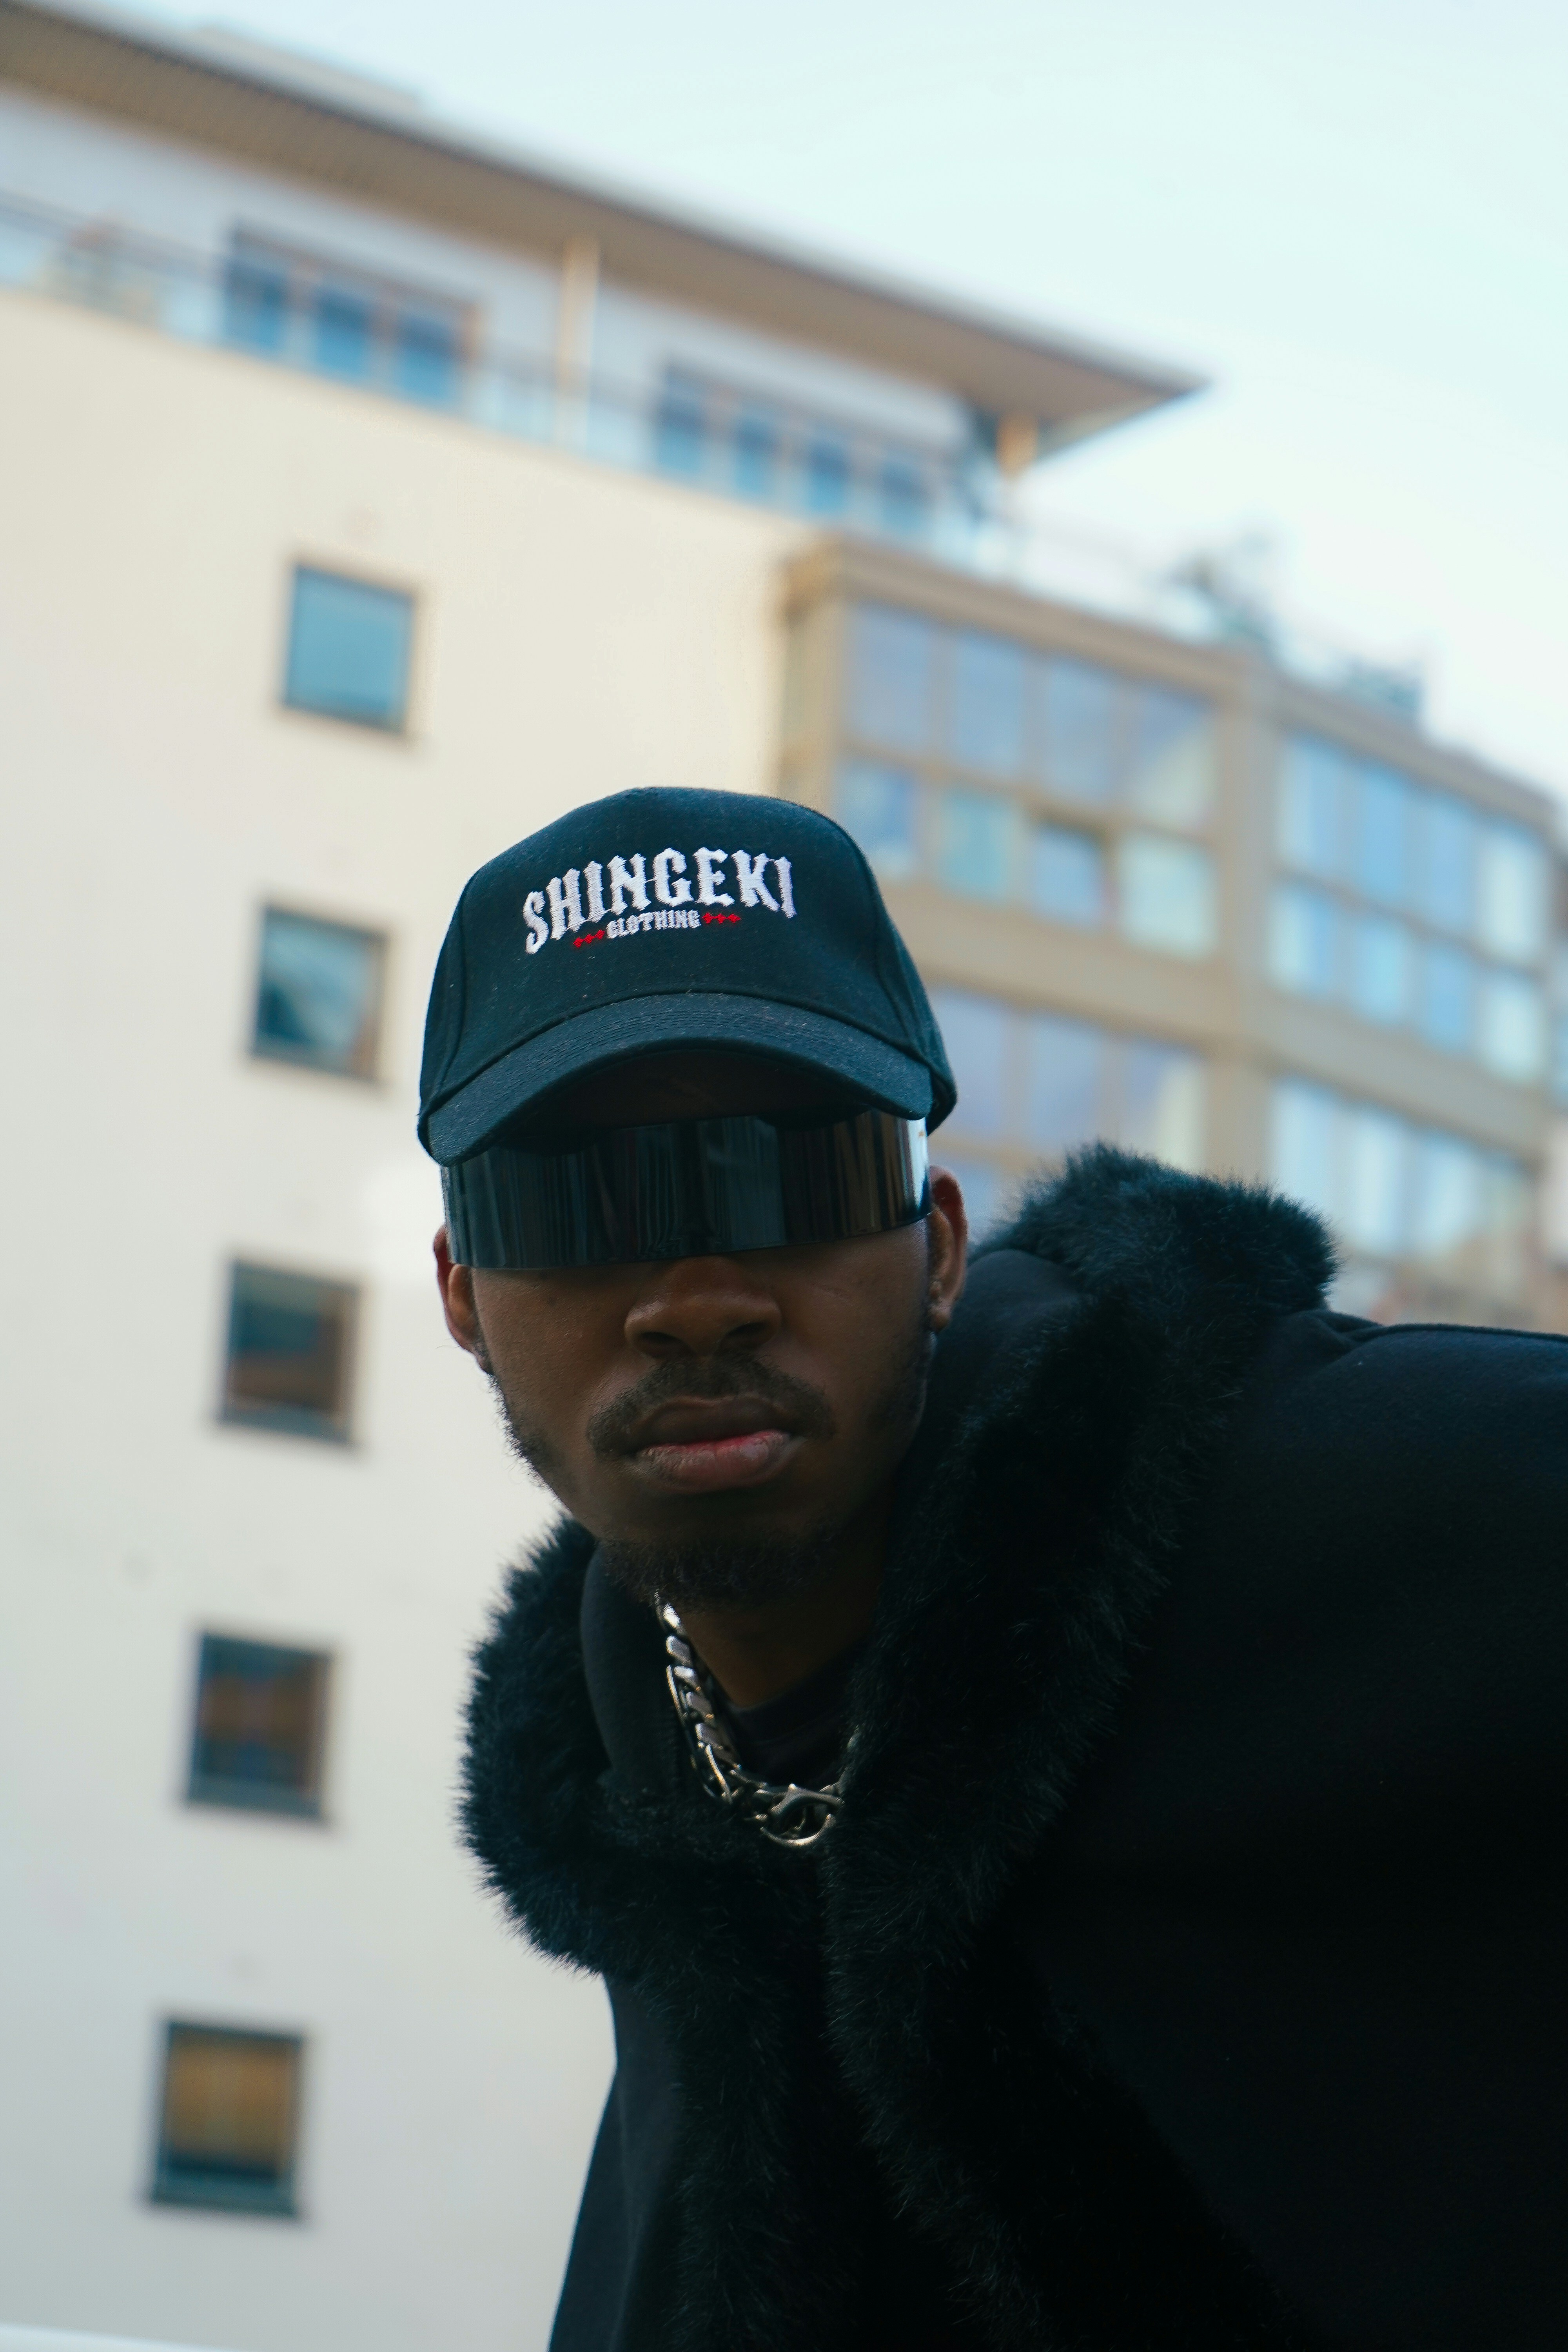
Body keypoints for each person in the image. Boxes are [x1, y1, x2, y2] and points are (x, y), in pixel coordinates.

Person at [424, 786, 1568, 2352]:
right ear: (461, 1297)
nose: (694, 1299)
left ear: (942, 1247)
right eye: (579, 1204)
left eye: (787, 1177)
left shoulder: (1316, 1491)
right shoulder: (658, 1788)